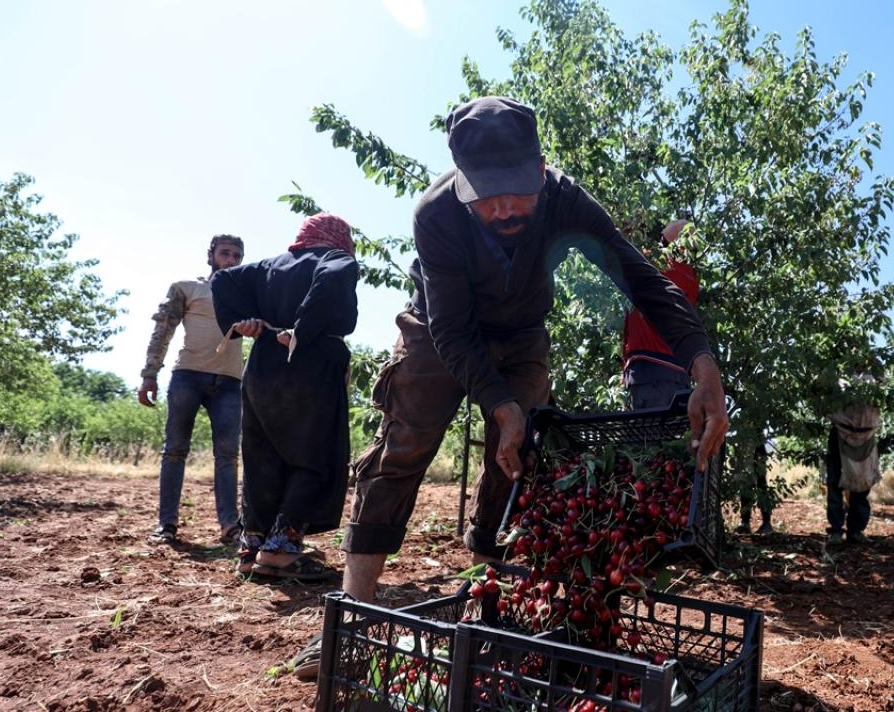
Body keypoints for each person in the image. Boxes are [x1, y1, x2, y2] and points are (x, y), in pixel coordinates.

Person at [288, 96, 729, 680]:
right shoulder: (437, 213)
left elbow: (643, 280)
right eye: (485, 193)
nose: (502, 207)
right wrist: (497, 404)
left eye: (516, 189)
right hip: (438, 332)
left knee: (516, 460)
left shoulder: (566, 199)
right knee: (405, 445)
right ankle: (353, 614)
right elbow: (451, 329)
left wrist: (703, 364)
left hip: (521, 336)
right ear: (463, 182)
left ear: (542, 170)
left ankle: (489, 606)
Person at [211, 213, 359, 582]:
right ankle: (280, 550)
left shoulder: (267, 267)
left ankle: (251, 549)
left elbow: (222, 280)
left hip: (262, 368)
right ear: (338, 237)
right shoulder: (334, 258)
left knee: (263, 456)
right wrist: (303, 331)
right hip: (311, 365)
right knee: (314, 456)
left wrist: (241, 320)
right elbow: (334, 277)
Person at [138, 235, 245, 546]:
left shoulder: (246, 295)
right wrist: (149, 375)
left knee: (227, 455)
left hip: (229, 382)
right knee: (174, 451)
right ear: (210, 255)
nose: (231, 260)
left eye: (237, 255)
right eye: (225, 253)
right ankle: (166, 525)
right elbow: (163, 330)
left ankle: (230, 526)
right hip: (187, 377)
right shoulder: (187, 287)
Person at [622, 219, 696, 410]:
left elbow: (619, 254)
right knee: (671, 436)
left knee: (649, 435)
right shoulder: (689, 276)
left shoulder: (654, 263)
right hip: (676, 372)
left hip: (651, 369)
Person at [825, 399, 881, 545]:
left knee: (863, 484)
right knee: (835, 483)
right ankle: (836, 531)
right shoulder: (838, 376)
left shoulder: (875, 378)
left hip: (866, 436)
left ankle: (855, 531)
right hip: (840, 433)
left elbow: (883, 391)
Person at [736, 441, 773, 535]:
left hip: (756, 448)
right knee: (746, 486)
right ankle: (745, 523)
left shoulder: (756, 431)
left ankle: (766, 522)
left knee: (761, 485)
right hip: (745, 447)